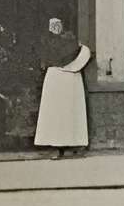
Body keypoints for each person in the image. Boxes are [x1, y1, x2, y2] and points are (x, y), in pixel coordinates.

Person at [33, 17, 91, 158]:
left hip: (70, 79)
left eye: (58, 25)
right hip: (55, 78)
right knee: (56, 113)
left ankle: (76, 144)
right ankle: (57, 147)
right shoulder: (46, 42)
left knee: (71, 111)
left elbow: (83, 52)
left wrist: (72, 66)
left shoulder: (70, 40)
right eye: (53, 26)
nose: (56, 28)